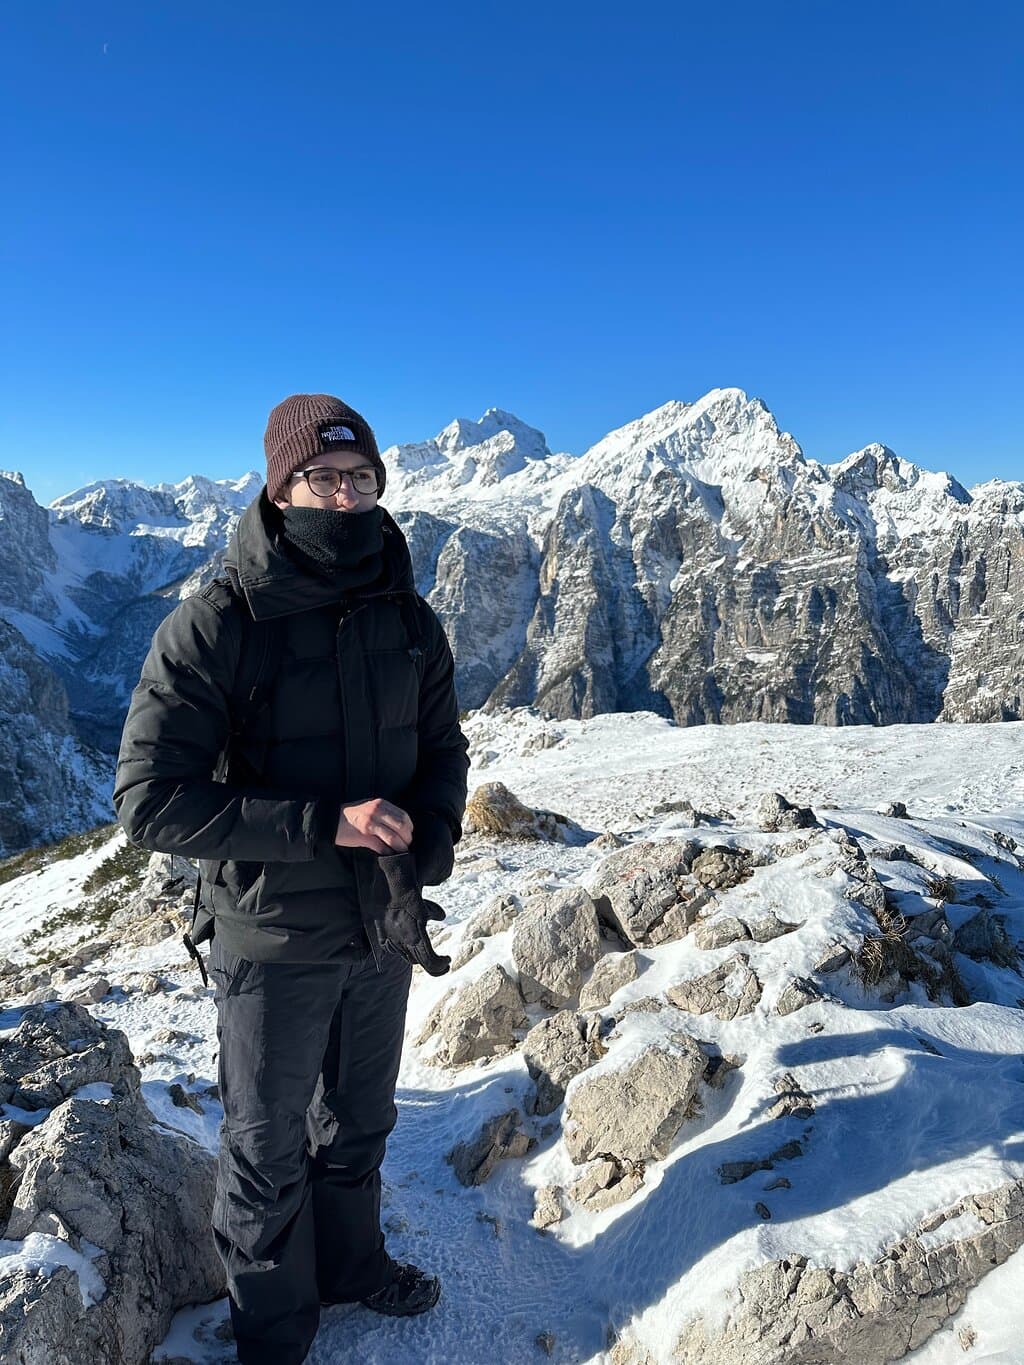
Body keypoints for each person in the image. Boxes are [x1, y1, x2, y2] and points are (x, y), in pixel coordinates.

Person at [113, 393, 469, 1365]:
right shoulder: (222, 621)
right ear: (282, 488)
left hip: (381, 927)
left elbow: (442, 749)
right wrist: (324, 826)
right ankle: (272, 1333)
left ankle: (352, 1267)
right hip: (268, 940)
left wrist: (426, 840)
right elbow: (148, 799)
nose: (346, 498)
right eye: (325, 479)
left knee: (359, 1123)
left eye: (363, 481)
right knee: (266, 1152)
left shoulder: (410, 618)